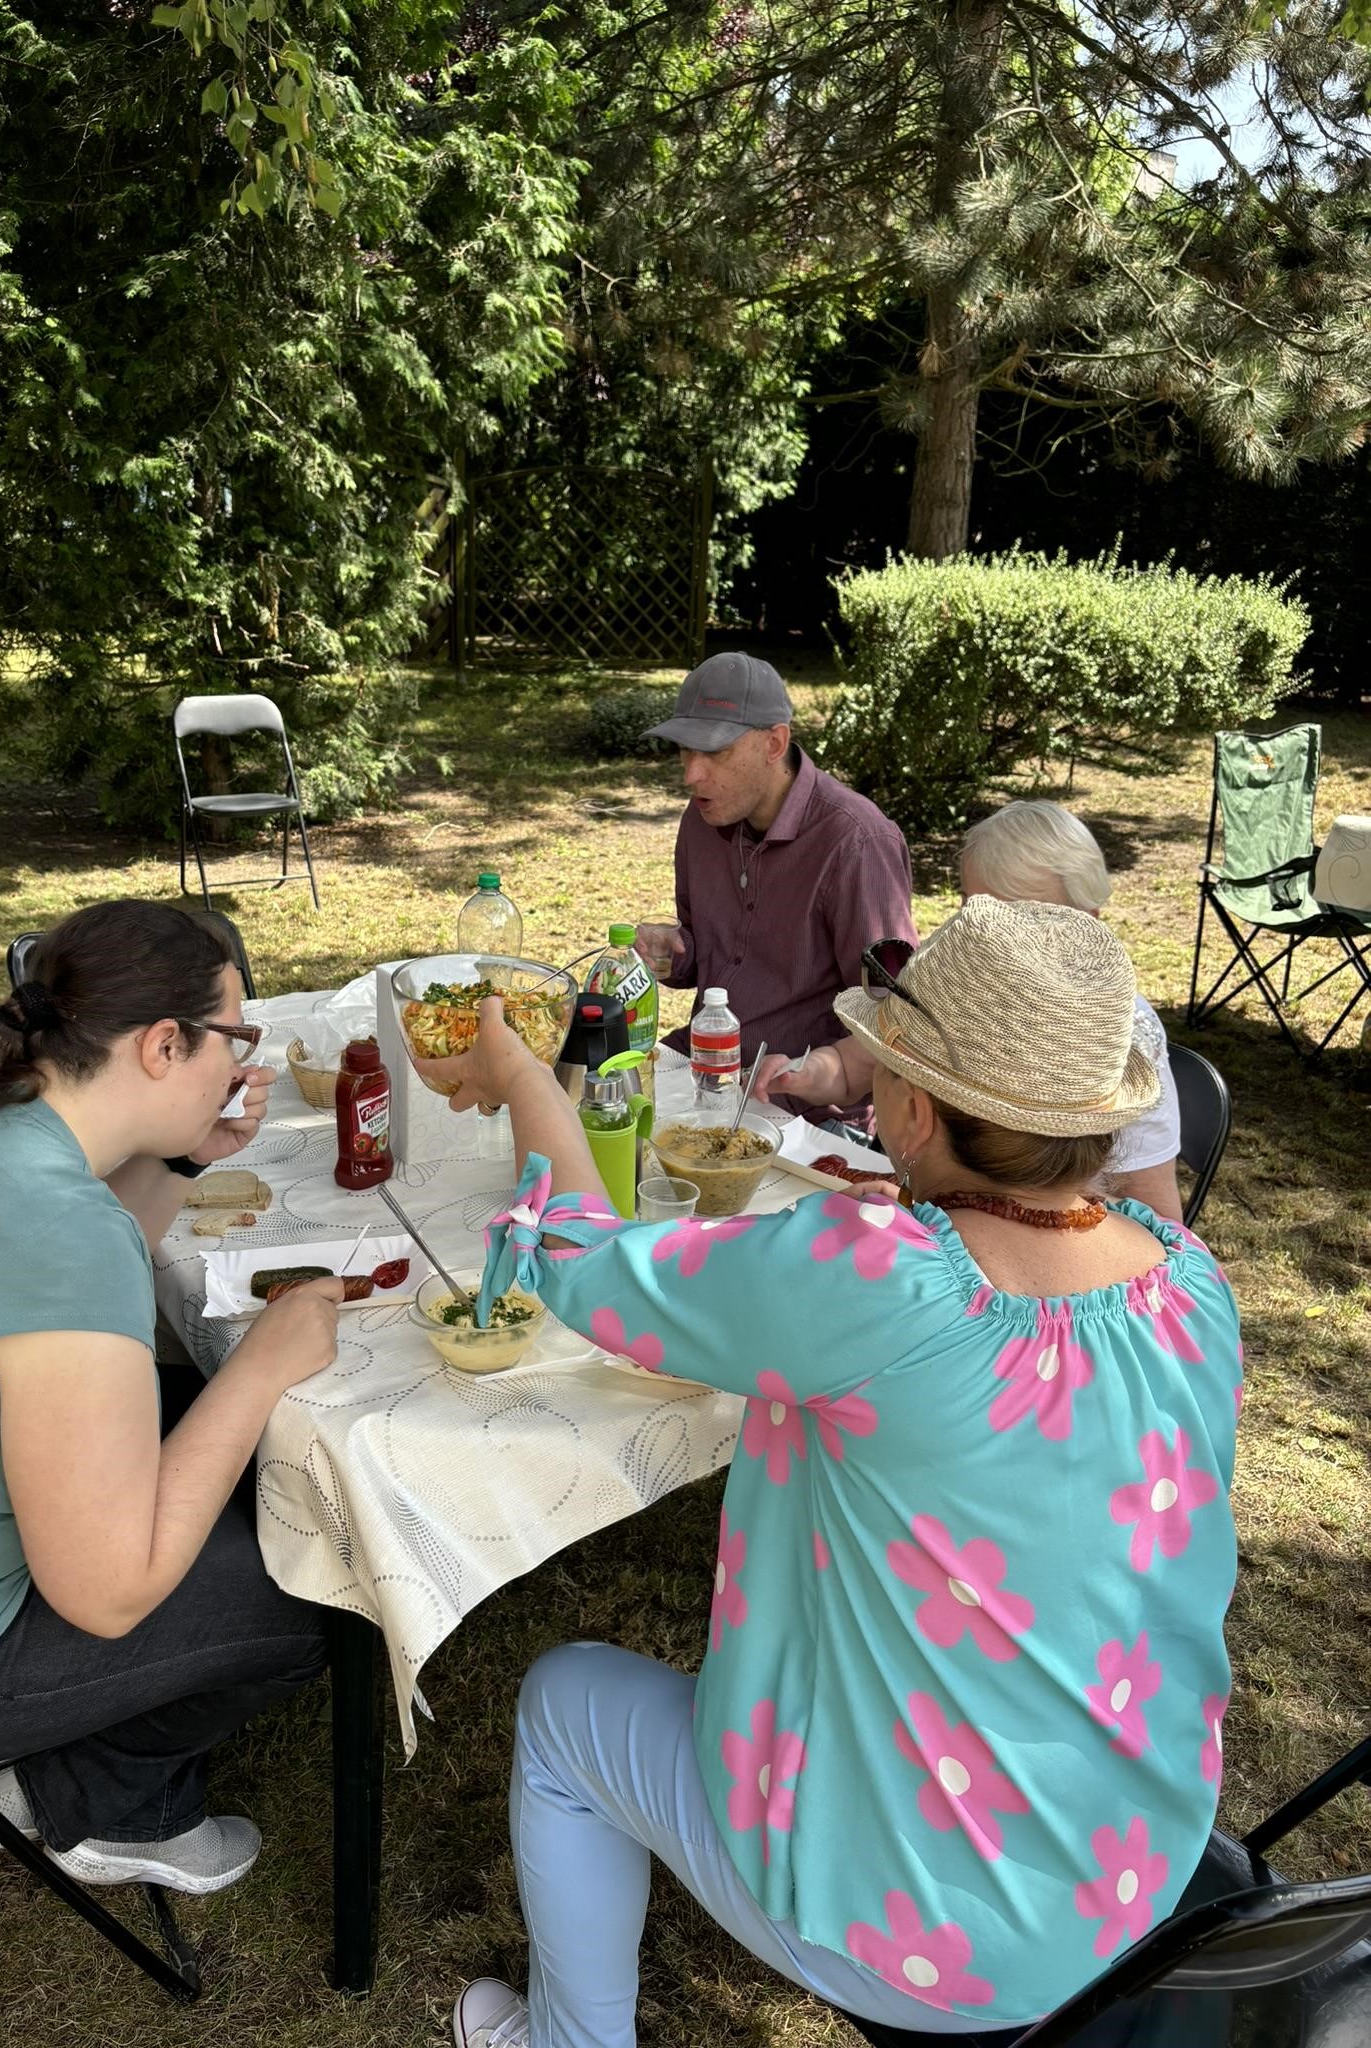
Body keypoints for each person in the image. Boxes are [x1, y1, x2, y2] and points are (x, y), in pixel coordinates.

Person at [418, 896, 1241, 2047]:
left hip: (942, 1937)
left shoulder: (885, 1277)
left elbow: (577, 1254)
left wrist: (522, 1077)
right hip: (1137, 1864)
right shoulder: (1189, 1274)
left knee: (562, 1706)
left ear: (904, 1103)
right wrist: (908, 1233)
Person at [0, 901, 346, 1893]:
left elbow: (51, 1286)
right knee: (322, 1580)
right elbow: (107, 1590)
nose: (240, 1063)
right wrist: (259, 1366)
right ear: (165, 1043)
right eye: (233, 1040)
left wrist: (188, 1157)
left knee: (195, 1427)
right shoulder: (51, 1225)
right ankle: (92, 1796)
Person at [633, 650, 914, 1117]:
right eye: (685, 749)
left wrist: (818, 1075)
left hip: (803, 1110)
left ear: (774, 743)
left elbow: (894, 1015)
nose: (691, 774)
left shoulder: (855, 841)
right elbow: (717, 959)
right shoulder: (703, 817)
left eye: (716, 752)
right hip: (702, 1069)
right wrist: (674, 953)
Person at [957, 800, 1184, 1220]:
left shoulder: (1122, 1035)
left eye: (1022, 918)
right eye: (970, 909)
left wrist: (1033, 1207)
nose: (985, 939)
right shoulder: (956, 992)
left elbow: (1160, 1217)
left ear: (1089, 924)